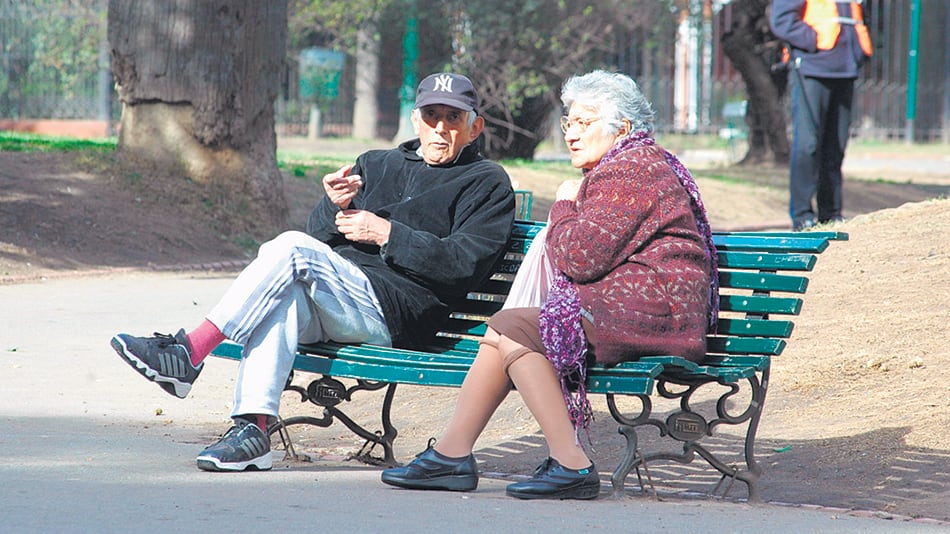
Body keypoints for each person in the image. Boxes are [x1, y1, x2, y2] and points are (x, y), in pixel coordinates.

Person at [111, 72, 516, 472]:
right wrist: (331, 204)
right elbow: (318, 238)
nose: (441, 128)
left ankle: (190, 350)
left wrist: (389, 234)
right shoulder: (376, 164)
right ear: (416, 119)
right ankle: (252, 431)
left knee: (290, 247)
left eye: (453, 117)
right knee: (281, 296)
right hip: (341, 300)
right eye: (431, 115)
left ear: (474, 127)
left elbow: (465, 265)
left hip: (399, 314)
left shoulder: (486, 183)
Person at [380, 70, 718, 500]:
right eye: (568, 122)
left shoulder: (632, 170)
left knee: (511, 328)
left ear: (622, 129)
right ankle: (451, 456)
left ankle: (571, 464)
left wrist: (562, 205)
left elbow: (579, 257)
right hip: (637, 305)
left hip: (654, 311)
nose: (571, 134)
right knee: (504, 330)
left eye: (584, 123)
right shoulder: (631, 163)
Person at [770, 0, 873, 231]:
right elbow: (782, 21)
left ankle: (831, 213)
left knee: (835, 146)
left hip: (846, 68)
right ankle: (802, 216)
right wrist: (814, 40)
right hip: (811, 68)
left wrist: (857, 51)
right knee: (808, 145)